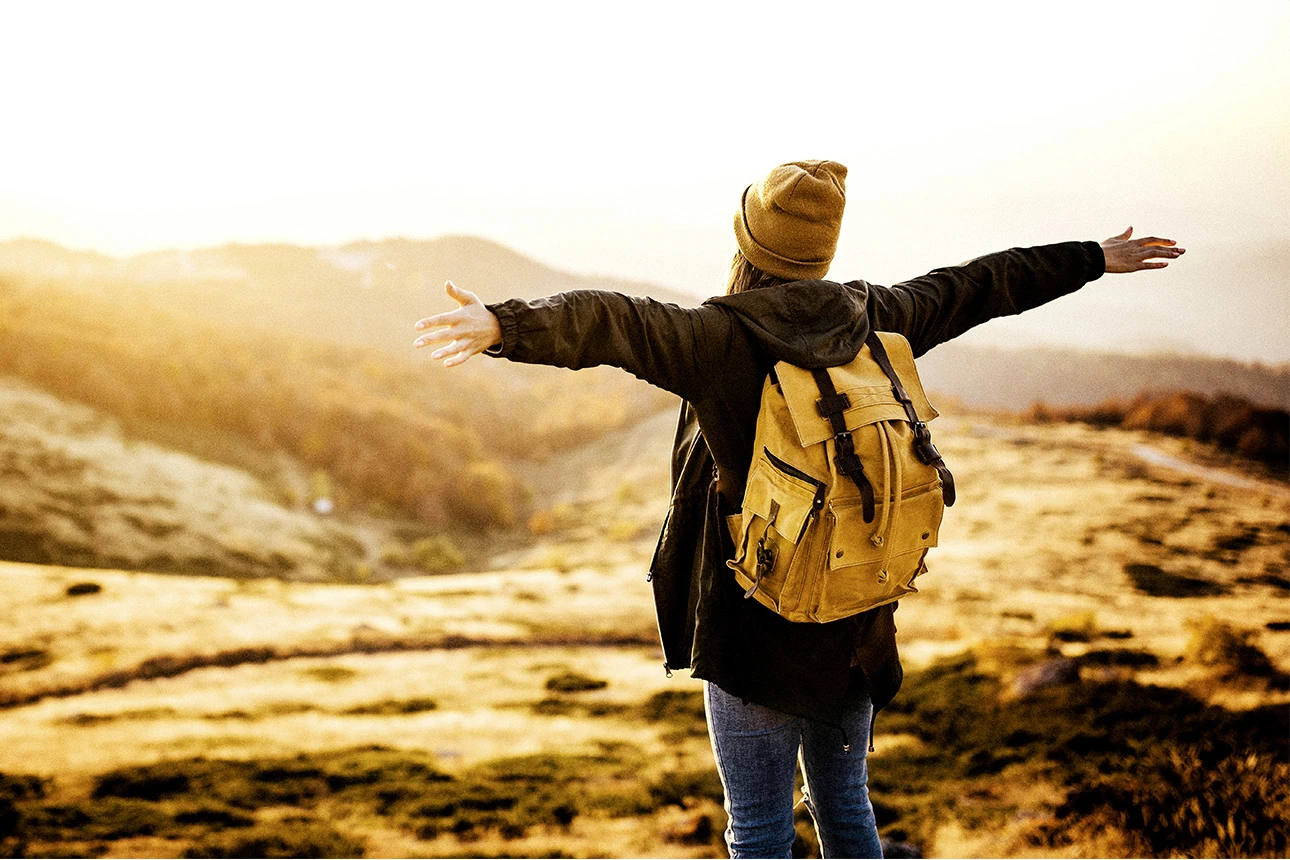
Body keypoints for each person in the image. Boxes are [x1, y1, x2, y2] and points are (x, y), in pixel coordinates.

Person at [412, 160, 1183, 858]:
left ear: (750, 244)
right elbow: (979, 284)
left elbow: (612, 319)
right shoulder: (875, 316)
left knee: (757, 829)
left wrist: (505, 326)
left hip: (753, 633)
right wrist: (1092, 259)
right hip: (854, 620)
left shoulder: (717, 338)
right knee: (845, 807)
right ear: (822, 252)